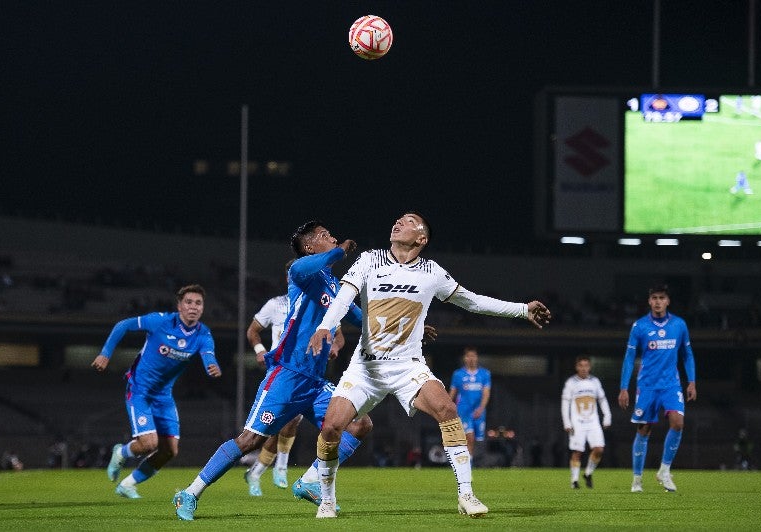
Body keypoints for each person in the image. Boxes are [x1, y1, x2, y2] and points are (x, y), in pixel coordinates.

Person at [307, 211, 551, 518]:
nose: (398, 222)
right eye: (397, 219)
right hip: (365, 368)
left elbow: (471, 301)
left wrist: (521, 310)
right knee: (331, 427)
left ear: (421, 238)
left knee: (447, 409)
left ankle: (467, 495)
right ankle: (327, 499)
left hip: (407, 366)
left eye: (409, 221)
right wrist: (325, 327)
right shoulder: (370, 260)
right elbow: (344, 297)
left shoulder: (432, 272)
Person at [172, 221, 373, 521]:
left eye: (331, 234)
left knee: (360, 423)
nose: (331, 237)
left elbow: (361, 317)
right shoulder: (300, 274)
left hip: (316, 383)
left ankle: (307, 481)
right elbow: (322, 261)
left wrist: (405, 328)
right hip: (287, 375)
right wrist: (340, 249)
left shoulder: (334, 287)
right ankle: (190, 492)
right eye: (323, 236)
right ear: (308, 247)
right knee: (249, 441)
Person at [92, 284, 221, 499]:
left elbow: (208, 353)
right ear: (179, 306)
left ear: (203, 308)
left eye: (198, 303)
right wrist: (106, 353)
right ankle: (121, 452)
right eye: (188, 302)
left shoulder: (203, 334)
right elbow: (123, 325)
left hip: (164, 397)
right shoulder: (161, 321)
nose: (193, 307)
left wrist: (212, 365)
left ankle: (127, 484)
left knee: (169, 451)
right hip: (139, 390)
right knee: (149, 443)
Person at [242, 261, 345, 497]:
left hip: (308, 370)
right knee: (276, 425)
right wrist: (259, 349)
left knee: (289, 421)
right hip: (281, 368)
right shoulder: (275, 305)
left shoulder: (322, 304)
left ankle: (262, 471)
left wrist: (335, 347)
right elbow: (252, 331)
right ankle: (271, 469)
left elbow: (339, 336)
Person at [618, 284, 696, 493]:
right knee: (644, 430)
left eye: (662, 297)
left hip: (671, 385)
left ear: (668, 301)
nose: (658, 301)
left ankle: (664, 470)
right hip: (647, 386)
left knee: (678, 423)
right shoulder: (640, 326)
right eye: (654, 298)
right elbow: (629, 358)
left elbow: (687, 354)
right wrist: (624, 388)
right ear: (649, 301)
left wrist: (692, 381)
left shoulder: (679, 325)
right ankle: (637, 479)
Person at [560, 355, 611, 489]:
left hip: (593, 422)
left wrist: (607, 416)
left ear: (589, 367)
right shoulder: (571, 383)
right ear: (576, 367)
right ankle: (574, 480)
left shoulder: (595, 381)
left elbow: (602, 399)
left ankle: (588, 473)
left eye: (586, 366)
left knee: (599, 449)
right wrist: (567, 422)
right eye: (581, 366)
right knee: (577, 451)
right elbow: (565, 403)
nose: (583, 369)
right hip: (577, 423)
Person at [448, 346, 491, 462]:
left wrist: (481, 408)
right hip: (464, 411)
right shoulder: (458, 374)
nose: (471, 358)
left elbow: (486, 393)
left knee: (477, 440)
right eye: (468, 356)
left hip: (479, 411)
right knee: (469, 438)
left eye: (473, 356)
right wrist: (447, 408)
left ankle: (467, 461)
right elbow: (452, 393)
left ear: (477, 358)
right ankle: (467, 467)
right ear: (464, 358)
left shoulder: (485, 374)